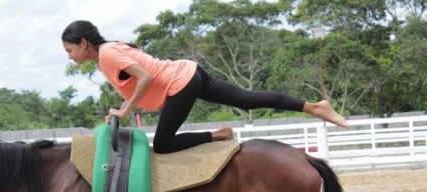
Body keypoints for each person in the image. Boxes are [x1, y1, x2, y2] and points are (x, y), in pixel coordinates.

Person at [62, 20, 349, 154]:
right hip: (189, 73)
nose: (70, 56)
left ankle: (219, 135)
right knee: (247, 100)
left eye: (70, 50)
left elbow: (146, 77)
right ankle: (314, 107)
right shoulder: (107, 55)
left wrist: (125, 109)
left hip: (179, 83)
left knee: (162, 145)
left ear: (84, 43)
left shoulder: (108, 54)